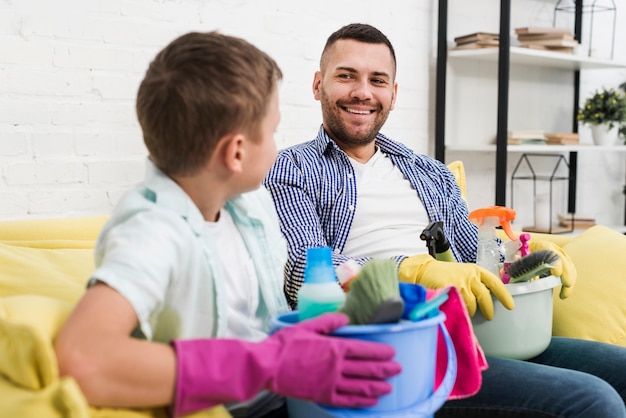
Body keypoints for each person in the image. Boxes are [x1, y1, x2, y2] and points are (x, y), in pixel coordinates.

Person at [264, 23, 626, 417]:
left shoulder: (431, 174)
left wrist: (523, 253)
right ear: (318, 85)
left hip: (480, 330)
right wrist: (409, 272)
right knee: (595, 401)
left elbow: (477, 255)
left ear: (394, 94)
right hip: (400, 346)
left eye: (378, 80)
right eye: (346, 76)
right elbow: (303, 270)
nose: (363, 92)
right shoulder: (291, 168)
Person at [53, 31, 402, 418]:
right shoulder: (154, 231)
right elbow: (83, 358)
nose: (276, 144)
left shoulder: (247, 205)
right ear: (236, 153)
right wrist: (268, 366)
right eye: (271, 131)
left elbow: (275, 307)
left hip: (287, 397)